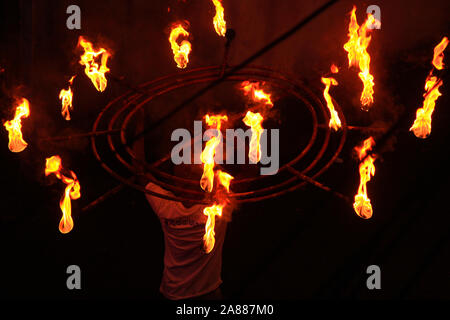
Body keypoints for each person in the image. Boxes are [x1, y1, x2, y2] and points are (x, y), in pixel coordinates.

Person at [144, 165, 232, 300]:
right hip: (200, 293)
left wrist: (136, 143)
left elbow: (141, 174)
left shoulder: (165, 204)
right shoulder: (217, 205)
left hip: (175, 293)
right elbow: (251, 172)